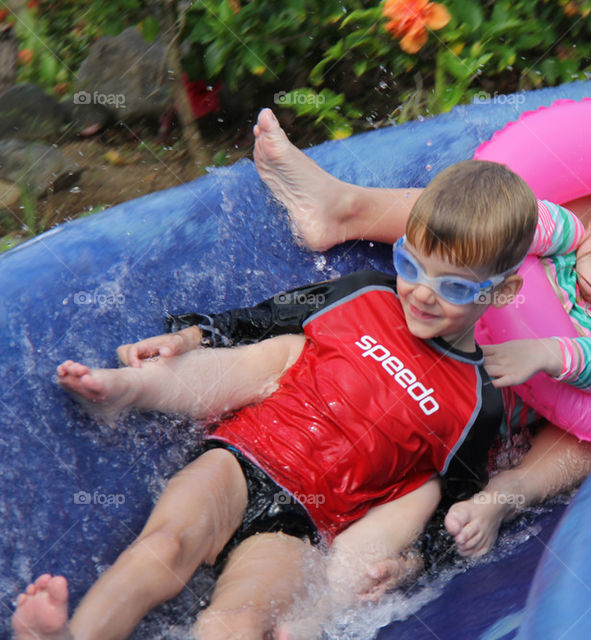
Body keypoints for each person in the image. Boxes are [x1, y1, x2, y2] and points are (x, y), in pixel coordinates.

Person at [12, 159, 538, 640]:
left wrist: (415, 562)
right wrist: (192, 336)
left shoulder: (477, 404)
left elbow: (451, 508)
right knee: (164, 546)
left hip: (302, 525)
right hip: (241, 460)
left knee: (237, 621)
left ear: (502, 292)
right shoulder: (363, 294)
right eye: (411, 264)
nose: (421, 292)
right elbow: (264, 319)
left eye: (454, 287)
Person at [250, 108, 591, 560]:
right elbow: (499, 222)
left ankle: (474, 513)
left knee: (445, 482)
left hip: (461, 416)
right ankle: (344, 210)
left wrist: (545, 353)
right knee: (475, 224)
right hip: (424, 335)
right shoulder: (564, 235)